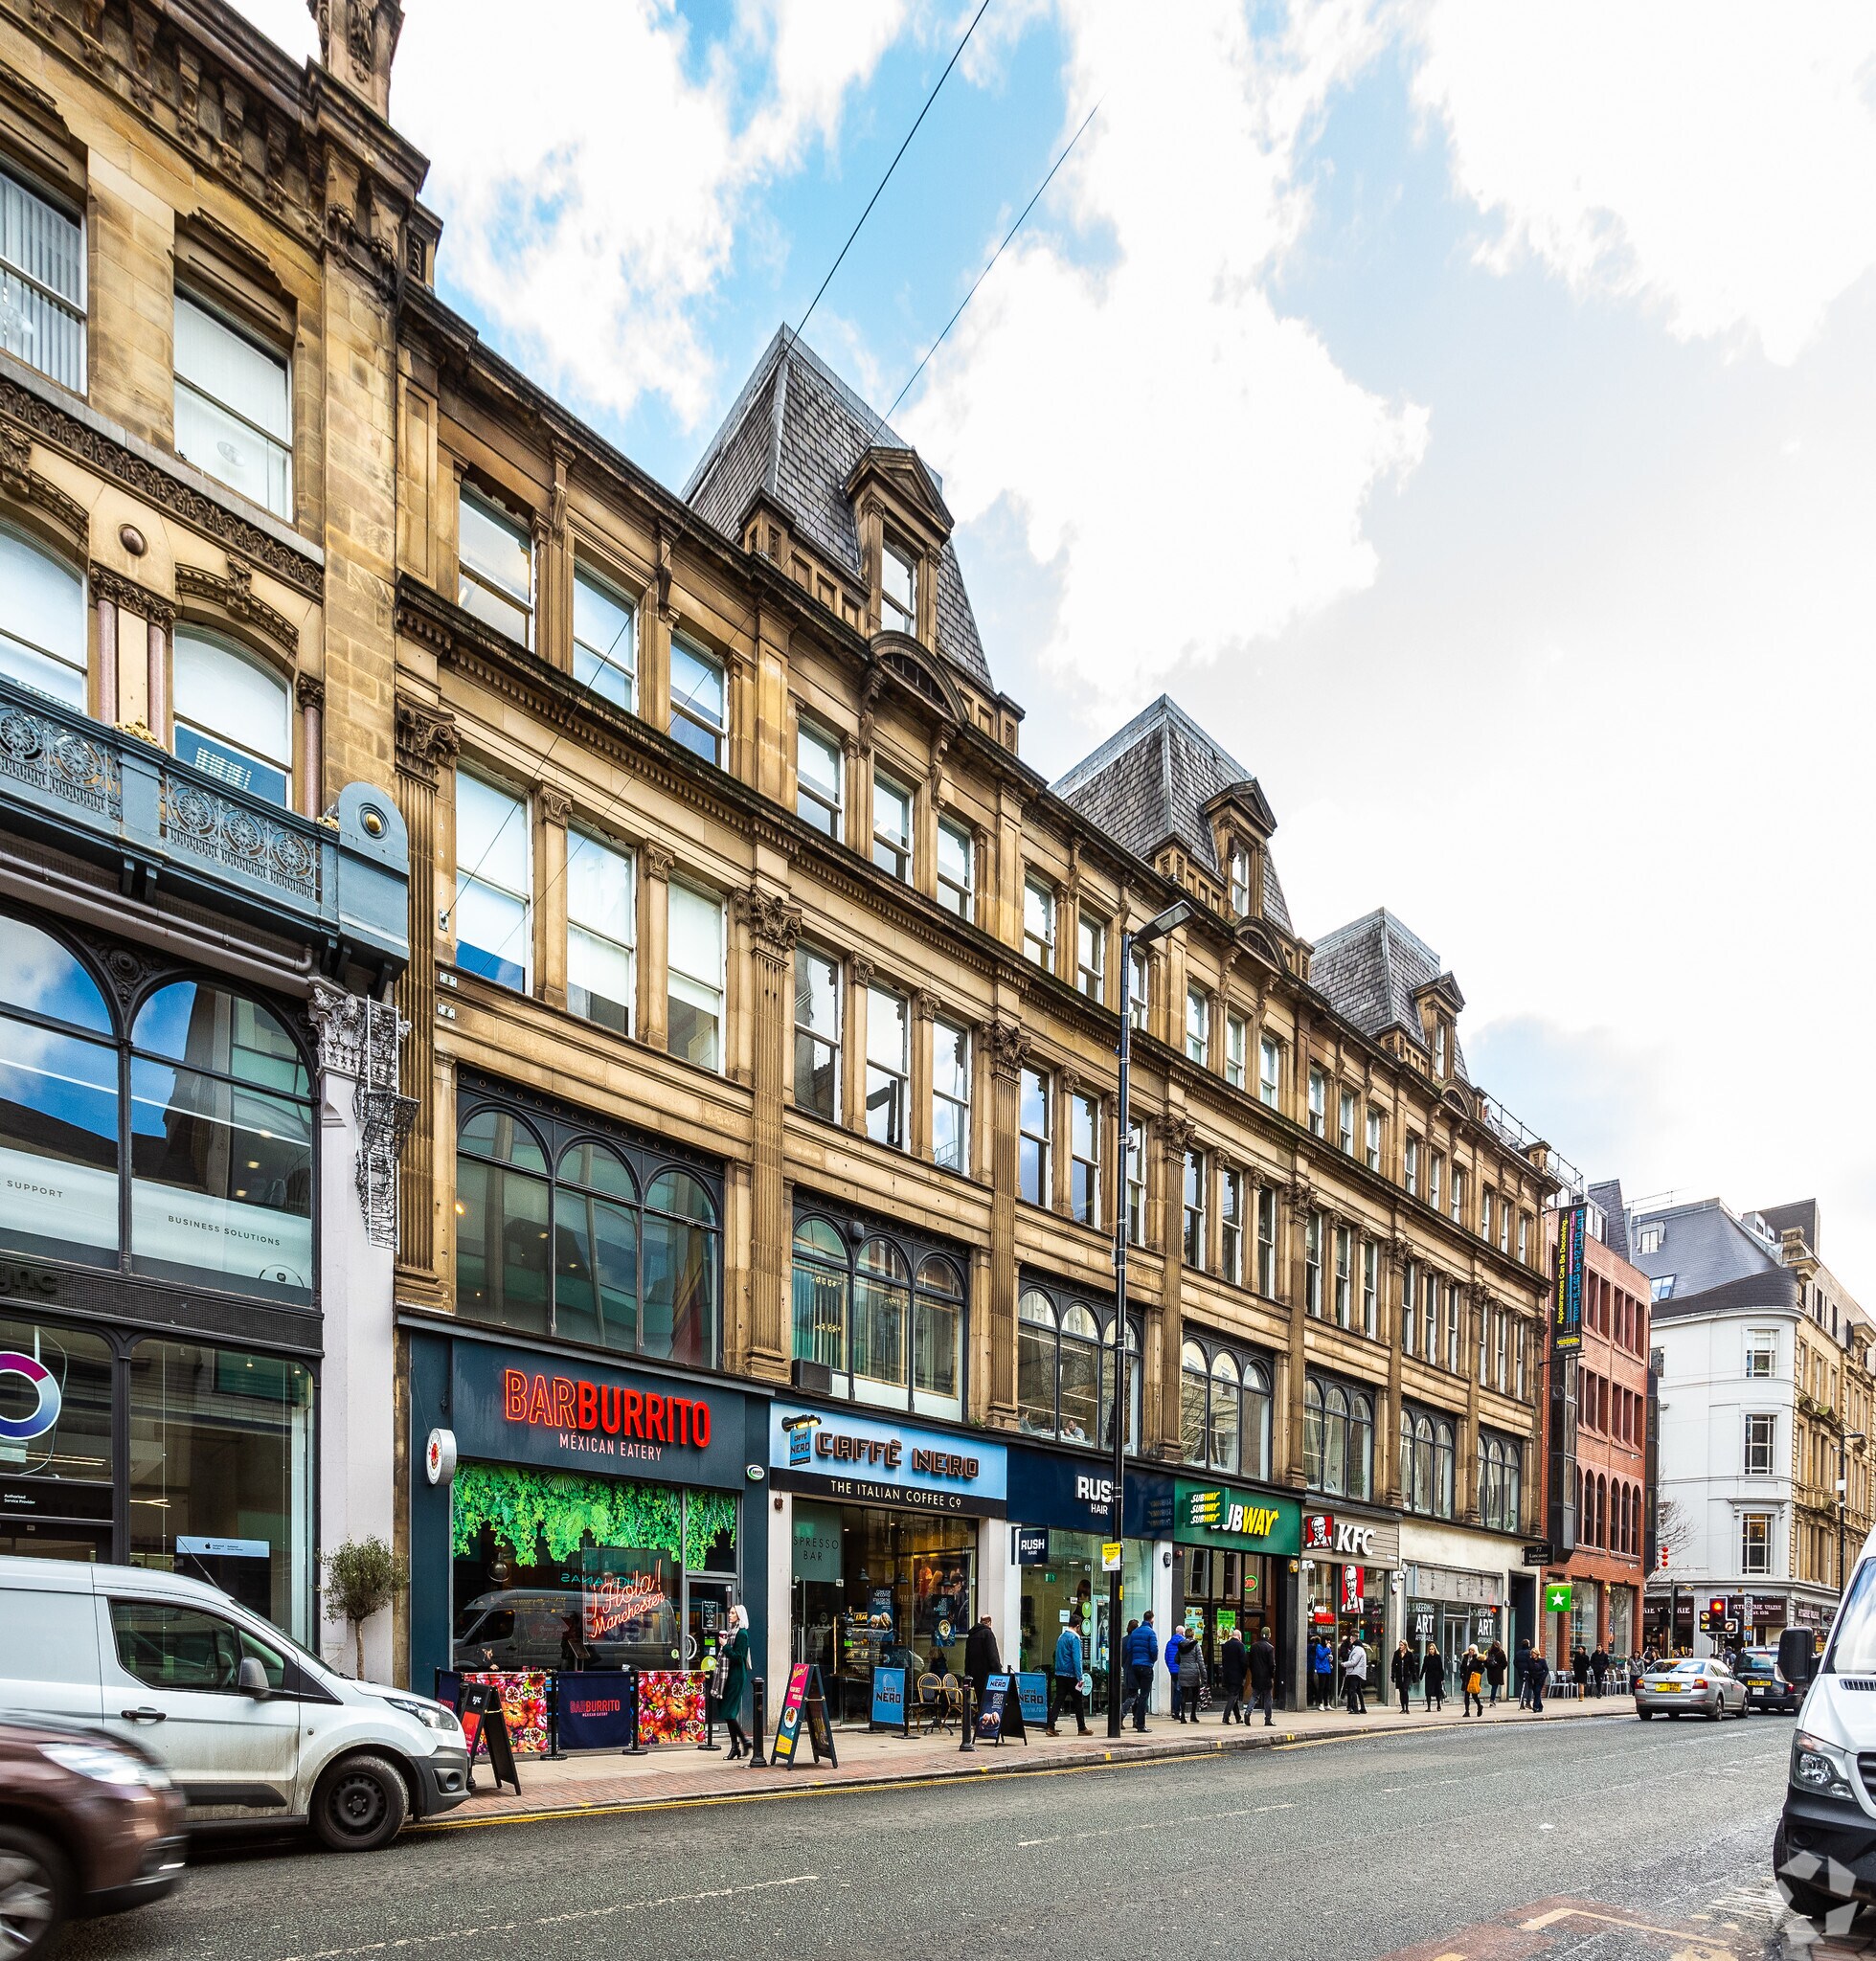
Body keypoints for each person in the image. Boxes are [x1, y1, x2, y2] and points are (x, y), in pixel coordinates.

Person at [720, 1603, 752, 1761]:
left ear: (739, 1616)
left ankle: (743, 1742)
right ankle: (737, 1747)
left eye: (732, 1613)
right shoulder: (733, 1632)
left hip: (737, 1676)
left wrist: (725, 1647)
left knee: (728, 1712)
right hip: (730, 1675)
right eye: (730, 1613)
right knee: (728, 1712)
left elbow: (739, 1657)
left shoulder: (742, 1634)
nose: (730, 1615)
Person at [1048, 1617, 1090, 1736]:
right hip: (1071, 1675)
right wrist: (1080, 1677)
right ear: (1078, 1626)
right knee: (1078, 1700)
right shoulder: (1075, 1638)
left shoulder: (1061, 1637)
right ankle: (1081, 1727)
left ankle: (1051, 1726)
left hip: (1060, 1673)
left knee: (1058, 1700)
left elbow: (1057, 1655)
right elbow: (1077, 1659)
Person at [1123, 1612, 1159, 1731]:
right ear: (1151, 1620)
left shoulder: (1135, 1633)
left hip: (1135, 1666)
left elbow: (1129, 1649)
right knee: (1143, 1696)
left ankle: (1136, 1721)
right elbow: (1154, 1650)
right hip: (1146, 1666)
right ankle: (1140, 1724)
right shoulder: (1151, 1633)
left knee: (1134, 1694)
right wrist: (1151, 1661)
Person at [964, 1612, 1002, 1717]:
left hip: (975, 1675)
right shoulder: (988, 1634)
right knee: (990, 1702)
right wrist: (999, 1672)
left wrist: (968, 1673)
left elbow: (967, 1658)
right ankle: (987, 1725)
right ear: (989, 1622)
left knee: (981, 1700)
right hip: (988, 1675)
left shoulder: (971, 1636)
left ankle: (981, 1721)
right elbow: (993, 1656)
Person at [1249, 1627, 1277, 1727]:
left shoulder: (1254, 1646)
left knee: (1254, 1696)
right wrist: (1272, 1675)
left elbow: (1250, 1662)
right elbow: (1271, 1665)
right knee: (1268, 1699)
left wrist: (1253, 1673)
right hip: (1266, 1678)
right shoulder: (1270, 1648)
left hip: (1256, 1676)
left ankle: (1248, 1712)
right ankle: (1268, 1719)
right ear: (1269, 1635)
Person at [1219, 1625, 1248, 1724]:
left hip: (1227, 1675)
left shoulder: (1226, 1645)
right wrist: (1244, 1675)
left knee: (1233, 1695)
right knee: (1233, 1695)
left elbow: (1223, 1660)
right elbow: (1244, 1662)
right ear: (1239, 1636)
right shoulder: (1240, 1646)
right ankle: (1225, 1717)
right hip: (1237, 1675)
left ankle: (1238, 1718)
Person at [1176, 1623, 1205, 1722]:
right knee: (1195, 1695)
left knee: (1184, 1694)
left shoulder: (1180, 1645)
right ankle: (1193, 1715)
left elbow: (1176, 1659)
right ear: (1192, 1635)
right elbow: (1200, 1661)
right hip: (1194, 1673)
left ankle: (1182, 1716)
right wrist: (1204, 1675)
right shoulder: (1196, 1645)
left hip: (1183, 1671)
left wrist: (1183, 1663)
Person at [1390, 1640, 1419, 1715]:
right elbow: (1393, 1665)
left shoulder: (1409, 1654)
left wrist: (1414, 1676)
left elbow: (1412, 1665)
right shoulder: (1396, 1653)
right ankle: (1402, 1708)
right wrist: (1393, 1675)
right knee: (1401, 1691)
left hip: (1407, 1675)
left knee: (1405, 1689)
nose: (1400, 1647)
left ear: (1405, 1646)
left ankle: (1407, 1708)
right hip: (1399, 1675)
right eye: (1399, 1645)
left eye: (1402, 1645)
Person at [1342, 1634, 1367, 1714]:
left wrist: (1344, 1664)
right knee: (1358, 1690)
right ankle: (1362, 1708)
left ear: (1353, 1640)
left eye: (1351, 1639)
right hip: (1357, 1672)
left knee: (1352, 1690)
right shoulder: (1360, 1649)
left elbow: (1353, 1662)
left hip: (1355, 1673)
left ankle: (1355, 1708)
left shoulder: (1357, 1650)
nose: (1350, 1641)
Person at [1526, 1641, 1550, 1715]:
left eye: (1534, 1653)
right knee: (1536, 1693)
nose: (1533, 1655)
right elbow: (1528, 1669)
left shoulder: (1542, 1661)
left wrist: (1543, 1677)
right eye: (1532, 1653)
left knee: (1537, 1692)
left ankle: (1535, 1706)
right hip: (1532, 1679)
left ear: (1537, 1654)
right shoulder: (1530, 1661)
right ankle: (1540, 1706)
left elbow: (1546, 1670)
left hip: (1540, 1679)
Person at [1311, 1634, 1334, 1708]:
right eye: (1327, 1640)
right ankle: (1320, 1703)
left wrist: (1330, 1659)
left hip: (1327, 1669)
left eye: (1329, 1641)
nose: (1328, 1642)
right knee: (1322, 1687)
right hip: (1321, 1670)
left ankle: (1326, 1704)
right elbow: (1321, 1656)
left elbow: (1328, 1656)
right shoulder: (1319, 1647)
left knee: (1327, 1687)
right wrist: (1327, 1649)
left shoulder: (1327, 1648)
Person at [1460, 1644, 1485, 1718]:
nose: (1470, 1651)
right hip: (1466, 1678)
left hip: (1474, 1679)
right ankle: (1467, 1711)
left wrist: (1476, 1672)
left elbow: (1482, 1669)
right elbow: (1462, 1667)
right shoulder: (1465, 1658)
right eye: (1470, 1649)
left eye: (1472, 1650)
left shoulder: (1478, 1659)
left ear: (1475, 1651)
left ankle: (1479, 1706)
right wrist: (1461, 1673)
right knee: (1466, 1695)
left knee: (1474, 1696)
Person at [1422, 1641, 1446, 1714]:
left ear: (1435, 1649)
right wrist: (1421, 1675)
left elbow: (1440, 1668)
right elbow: (1424, 1667)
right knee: (1428, 1692)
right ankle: (1429, 1707)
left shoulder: (1438, 1657)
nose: (1431, 1650)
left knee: (1437, 1691)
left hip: (1437, 1676)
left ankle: (1438, 1704)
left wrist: (1442, 1678)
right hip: (1429, 1676)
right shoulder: (1426, 1657)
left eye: (1432, 1649)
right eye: (1430, 1649)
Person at [1485, 1640, 1508, 1707]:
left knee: (1493, 1686)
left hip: (1490, 1672)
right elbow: (1505, 1663)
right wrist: (1500, 1667)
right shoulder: (1501, 1653)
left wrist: (1489, 1667)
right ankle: (1492, 1701)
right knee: (1494, 1687)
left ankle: (1492, 1700)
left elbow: (1485, 1662)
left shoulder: (1489, 1652)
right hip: (1498, 1672)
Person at [1516, 1637, 1534, 1710]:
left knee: (1521, 1687)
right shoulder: (1529, 1653)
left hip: (1520, 1672)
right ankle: (1528, 1702)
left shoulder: (1518, 1653)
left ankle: (1521, 1704)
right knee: (1530, 1687)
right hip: (1529, 1672)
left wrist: (1519, 1668)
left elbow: (1515, 1662)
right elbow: (1531, 1662)